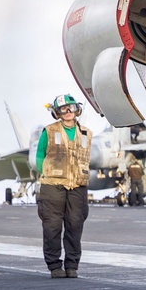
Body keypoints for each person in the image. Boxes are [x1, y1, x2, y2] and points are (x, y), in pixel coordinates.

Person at [36, 94, 92, 279]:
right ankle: (54, 266)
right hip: (53, 185)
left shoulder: (86, 133)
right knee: (52, 227)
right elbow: (39, 156)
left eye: (71, 107)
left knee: (75, 225)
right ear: (56, 113)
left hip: (78, 186)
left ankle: (72, 266)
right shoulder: (49, 131)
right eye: (63, 109)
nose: (68, 112)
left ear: (77, 109)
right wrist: (45, 173)